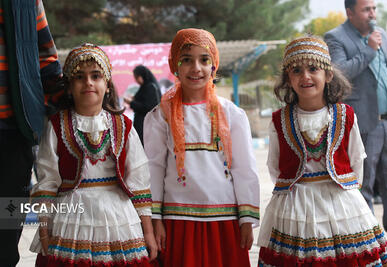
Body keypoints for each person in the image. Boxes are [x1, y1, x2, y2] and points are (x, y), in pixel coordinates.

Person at [257, 36, 387, 266]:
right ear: (288, 79)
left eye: (313, 69)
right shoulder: (280, 120)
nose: (305, 76)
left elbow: (356, 158)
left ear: (328, 75)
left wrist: (348, 193)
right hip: (295, 203)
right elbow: (275, 165)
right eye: (296, 70)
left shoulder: (345, 114)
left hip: (340, 200)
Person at [29, 43, 157, 266]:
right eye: (79, 77)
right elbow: (47, 181)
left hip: (119, 218)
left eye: (96, 76)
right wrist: (44, 230)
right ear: (69, 87)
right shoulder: (57, 126)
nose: (88, 82)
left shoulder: (124, 126)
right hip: (70, 218)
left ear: (107, 85)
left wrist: (148, 232)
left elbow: (138, 180)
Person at [143, 28, 260, 267]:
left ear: (214, 65)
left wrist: (246, 218)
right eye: (187, 60)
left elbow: (244, 168)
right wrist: (156, 219)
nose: (196, 68)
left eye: (204, 60)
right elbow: (153, 169)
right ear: (175, 65)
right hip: (177, 220)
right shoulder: (159, 116)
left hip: (225, 219)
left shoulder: (233, 115)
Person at [324, 0, 387, 252]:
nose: (373, 14)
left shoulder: (383, 36)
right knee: (363, 181)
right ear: (350, 12)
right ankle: (369, 235)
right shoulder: (336, 37)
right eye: (367, 9)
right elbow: (339, 73)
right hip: (364, 122)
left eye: (374, 9)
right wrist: (368, 50)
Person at [0, 0, 61, 265]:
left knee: (7, 225)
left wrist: (68, 103)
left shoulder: (27, 2)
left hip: (15, 133)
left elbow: (46, 57)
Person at [124, 65, 161, 145]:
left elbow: (147, 107)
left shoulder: (150, 87)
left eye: (137, 77)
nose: (136, 80)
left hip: (146, 125)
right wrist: (134, 98)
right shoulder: (145, 87)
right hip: (142, 124)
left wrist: (131, 102)